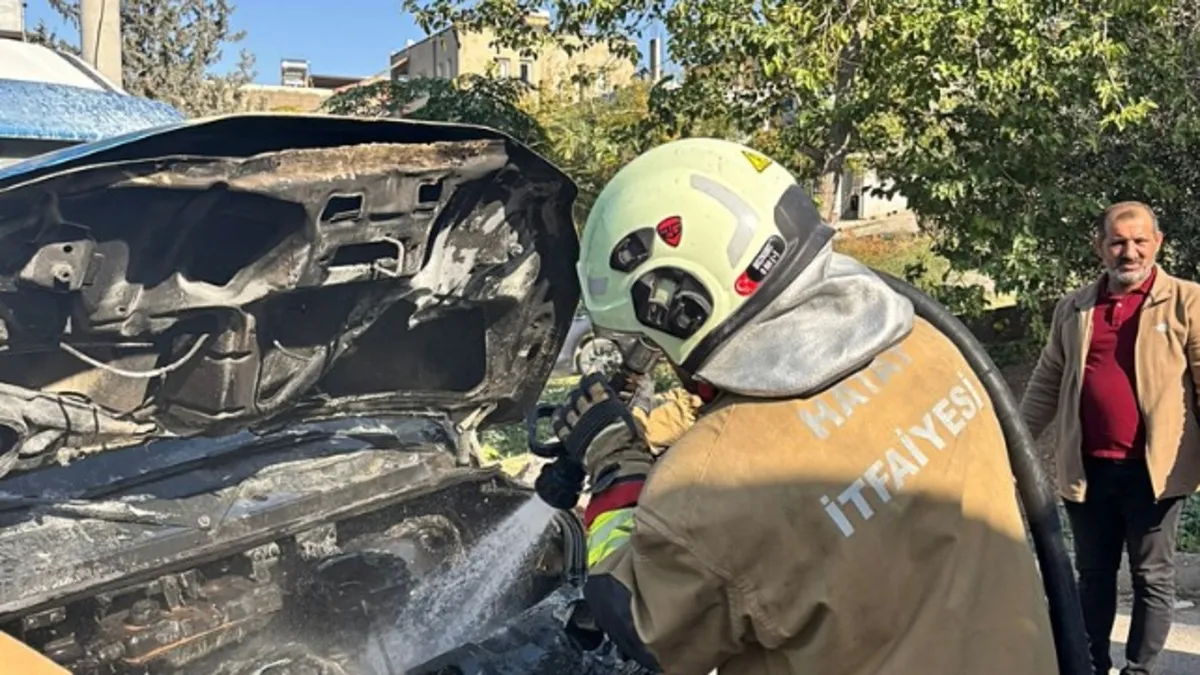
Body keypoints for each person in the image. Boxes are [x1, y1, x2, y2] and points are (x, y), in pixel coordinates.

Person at [539, 137, 1058, 675]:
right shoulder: (926, 345)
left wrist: (616, 468)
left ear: (679, 305)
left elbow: (639, 626)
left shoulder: (711, 487)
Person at [1019, 201, 1200, 675]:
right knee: (1092, 577)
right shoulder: (1075, 308)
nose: (1129, 251)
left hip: (1155, 472)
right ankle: (1090, 665)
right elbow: (1046, 381)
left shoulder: (1188, 302)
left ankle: (1139, 670)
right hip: (1087, 469)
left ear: (1158, 243)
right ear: (1098, 245)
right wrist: (1010, 444)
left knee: (1152, 577)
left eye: (1140, 240)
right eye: (1118, 241)